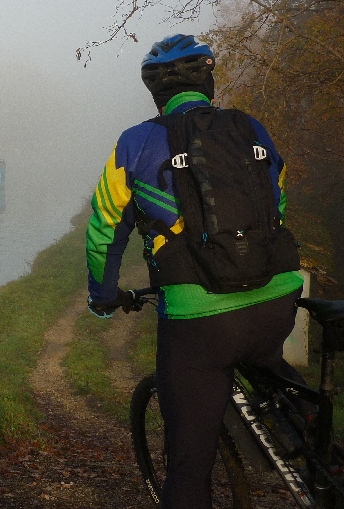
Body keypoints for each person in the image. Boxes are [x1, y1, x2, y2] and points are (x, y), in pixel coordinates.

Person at [85, 34, 305, 509]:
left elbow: (104, 229)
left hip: (198, 319)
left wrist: (102, 296)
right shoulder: (251, 128)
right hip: (278, 296)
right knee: (266, 356)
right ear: (208, 80)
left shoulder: (135, 143)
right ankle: (315, 451)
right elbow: (278, 200)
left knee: (189, 461)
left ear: (156, 93)